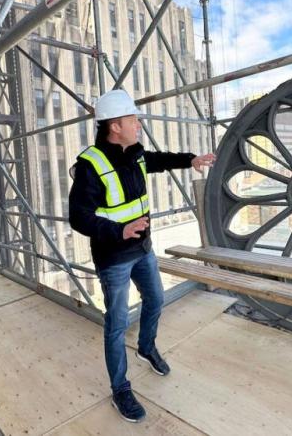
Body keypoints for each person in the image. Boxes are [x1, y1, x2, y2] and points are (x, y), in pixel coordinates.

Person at [68, 90, 216, 422]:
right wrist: (117, 231)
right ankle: (120, 389)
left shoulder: (134, 153)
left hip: (142, 249)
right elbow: (79, 217)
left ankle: (147, 347)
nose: (139, 124)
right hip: (114, 258)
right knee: (117, 324)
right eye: (134, 120)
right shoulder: (90, 165)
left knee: (155, 299)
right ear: (115, 126)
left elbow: (157, 160)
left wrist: (190, 159)